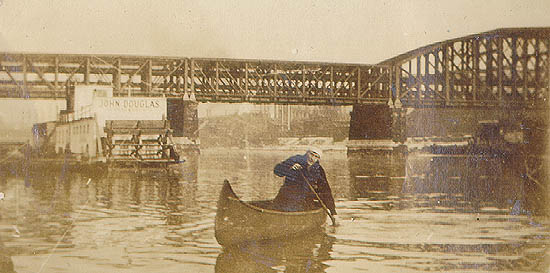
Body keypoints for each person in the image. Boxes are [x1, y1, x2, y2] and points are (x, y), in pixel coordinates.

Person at [272, 148, 337, 216]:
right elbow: (277, 170)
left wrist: (333, 211)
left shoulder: (318, 169)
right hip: (287, 198)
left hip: (304, 201)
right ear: (307, 153)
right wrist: (289, 167)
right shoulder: (295, 160)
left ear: (318, 159)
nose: (312, 158)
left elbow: (325, 189)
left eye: (316, 157)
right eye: (312, 154)